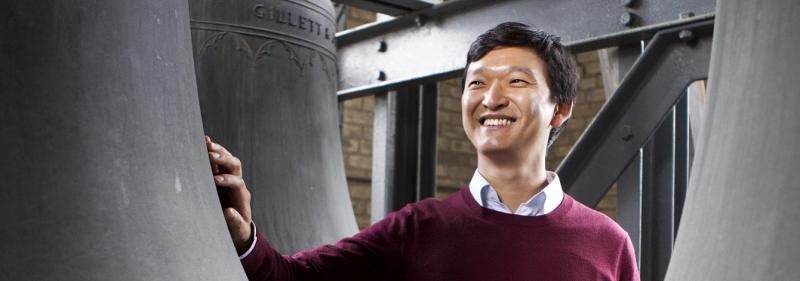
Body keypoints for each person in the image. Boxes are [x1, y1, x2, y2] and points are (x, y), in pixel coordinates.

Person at [206, 22, 639, 281]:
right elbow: (290, 278)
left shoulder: (609, 244)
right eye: (477, 83)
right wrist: (243, 234)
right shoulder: (416, 230)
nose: (491, 98)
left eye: (516, 82)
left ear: (560, 109)